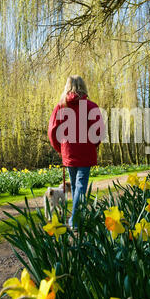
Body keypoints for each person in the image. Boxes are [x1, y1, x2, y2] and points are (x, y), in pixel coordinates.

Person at [48, 75, 105, 230]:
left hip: (68, 152)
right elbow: (99, 131)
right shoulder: (91, 106)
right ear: (83, 86)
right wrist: (94, 145)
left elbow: (52, 132)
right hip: (85, 152)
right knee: (79, 186)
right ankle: (75, 220)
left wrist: (60, 149)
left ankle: (75, 218)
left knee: (75, 185)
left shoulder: (61, 107)